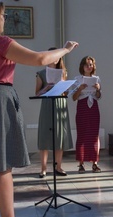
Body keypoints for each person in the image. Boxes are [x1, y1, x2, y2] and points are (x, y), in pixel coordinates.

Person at [0, 0, 78, 217]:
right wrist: (65, 50)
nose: (4, 19)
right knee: (1, 163)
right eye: (3, 15)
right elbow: (39, 59)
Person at [36, 48, 74, 178]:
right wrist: (46, 87)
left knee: (60, 136)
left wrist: (66, 88)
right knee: (45, 135)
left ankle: (58, 166)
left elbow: (65, 93)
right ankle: (43, 168)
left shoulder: (63, 73)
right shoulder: (41, 73)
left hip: (60, 105)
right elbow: (37, 93)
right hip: (47, 105)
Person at [72, 56, 102, 174]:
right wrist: (79, 89)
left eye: (90, 64)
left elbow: (99, 97)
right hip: (82, 107)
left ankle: (95, 163)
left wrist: (98, 89)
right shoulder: (77, 79)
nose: (89, 67)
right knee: (82, 134)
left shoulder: (97, 79)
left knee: (94, 135)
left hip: (93, 107)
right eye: (86, 65)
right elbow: (74, 98)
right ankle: (81, 164)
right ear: (82, 66)